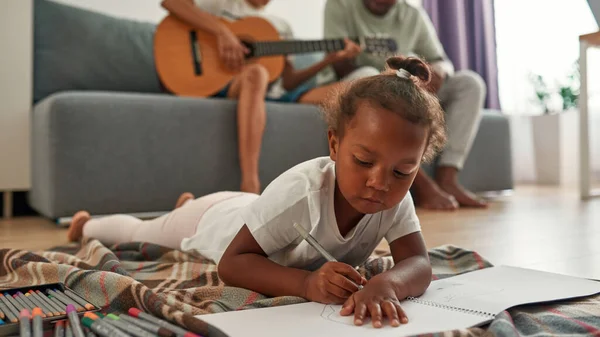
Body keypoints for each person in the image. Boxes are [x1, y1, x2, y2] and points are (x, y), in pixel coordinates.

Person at [67, 55, 446, 328]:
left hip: (258, 212)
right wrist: (307, 283)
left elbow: (418, 263)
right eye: (363, 161)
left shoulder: (396, 198)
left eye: (402, 171)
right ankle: (86, 225)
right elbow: (232, 264)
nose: (380, 182)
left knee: (228, 213)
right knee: (139, 232)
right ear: (333, 145)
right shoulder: (303, 191)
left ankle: (186, 203)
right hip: (214, 222)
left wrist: (387, 283)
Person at [160, 0, 364, 194]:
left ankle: (346, 181)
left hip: (274, 93)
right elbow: (171, 3)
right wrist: (222, 32)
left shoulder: (280, 27)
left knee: (355, 89)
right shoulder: (223, 4)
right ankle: (250, 184)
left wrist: (328, 60)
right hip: (228, 83)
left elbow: (289, 82)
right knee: (257, 73)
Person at [319, 0, 488, 210]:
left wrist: (437, 73)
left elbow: (441, 60)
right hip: (364, 83)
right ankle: (422, 185)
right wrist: (389, 82)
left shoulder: (413, 14)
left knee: (470, 84)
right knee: (367, 76)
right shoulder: (339, 5)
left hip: (408, 85)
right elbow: (339, 67)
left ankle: (448, 177)